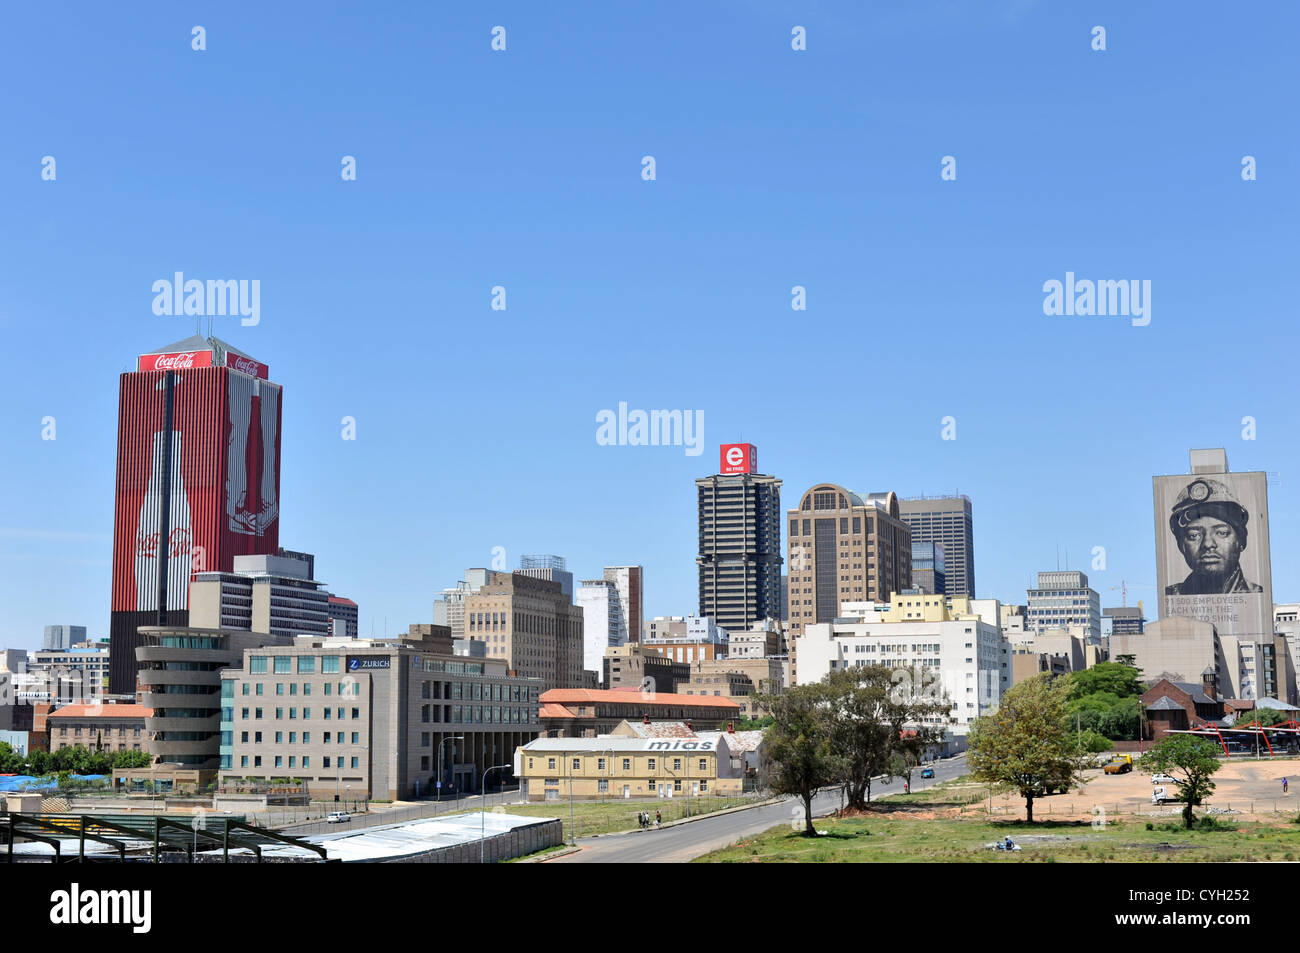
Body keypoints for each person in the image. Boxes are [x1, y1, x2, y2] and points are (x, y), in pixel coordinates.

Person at [1165, 479, 1263, 595]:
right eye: (1194, 535)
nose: (1208, 543)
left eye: (1221, 533)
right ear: (1182, 546)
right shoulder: (1170, 596)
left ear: (1241, 541)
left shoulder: (1258, 595)